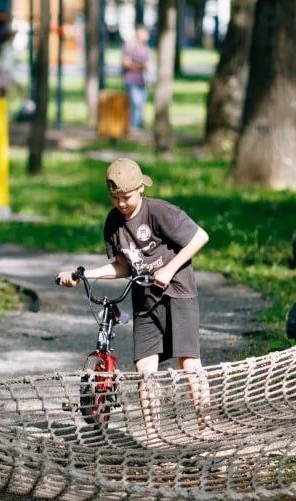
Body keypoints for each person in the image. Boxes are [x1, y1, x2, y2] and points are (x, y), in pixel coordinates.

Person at [56, 158, 210, 431]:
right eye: (115, 198)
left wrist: (169, 269)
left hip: (178, 292)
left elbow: (200, 237)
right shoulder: (113, 222)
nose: (121, 204)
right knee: (144, 368)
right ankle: (153, 434)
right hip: (145, 298)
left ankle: (205, 426)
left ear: (140, 188)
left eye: (126, 197)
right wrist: (83, 275)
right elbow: (123, 266)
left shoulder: (159, 212)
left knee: (189, 362)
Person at [121, 25, 154, 131]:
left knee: (141, 104)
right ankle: (133, 126)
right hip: (131, 80)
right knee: (135, 103)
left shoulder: (146, 48)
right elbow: (126, 63)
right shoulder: (129, 46)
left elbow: (149, 63)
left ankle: (139, 125)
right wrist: (140, 67)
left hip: (143, 80)